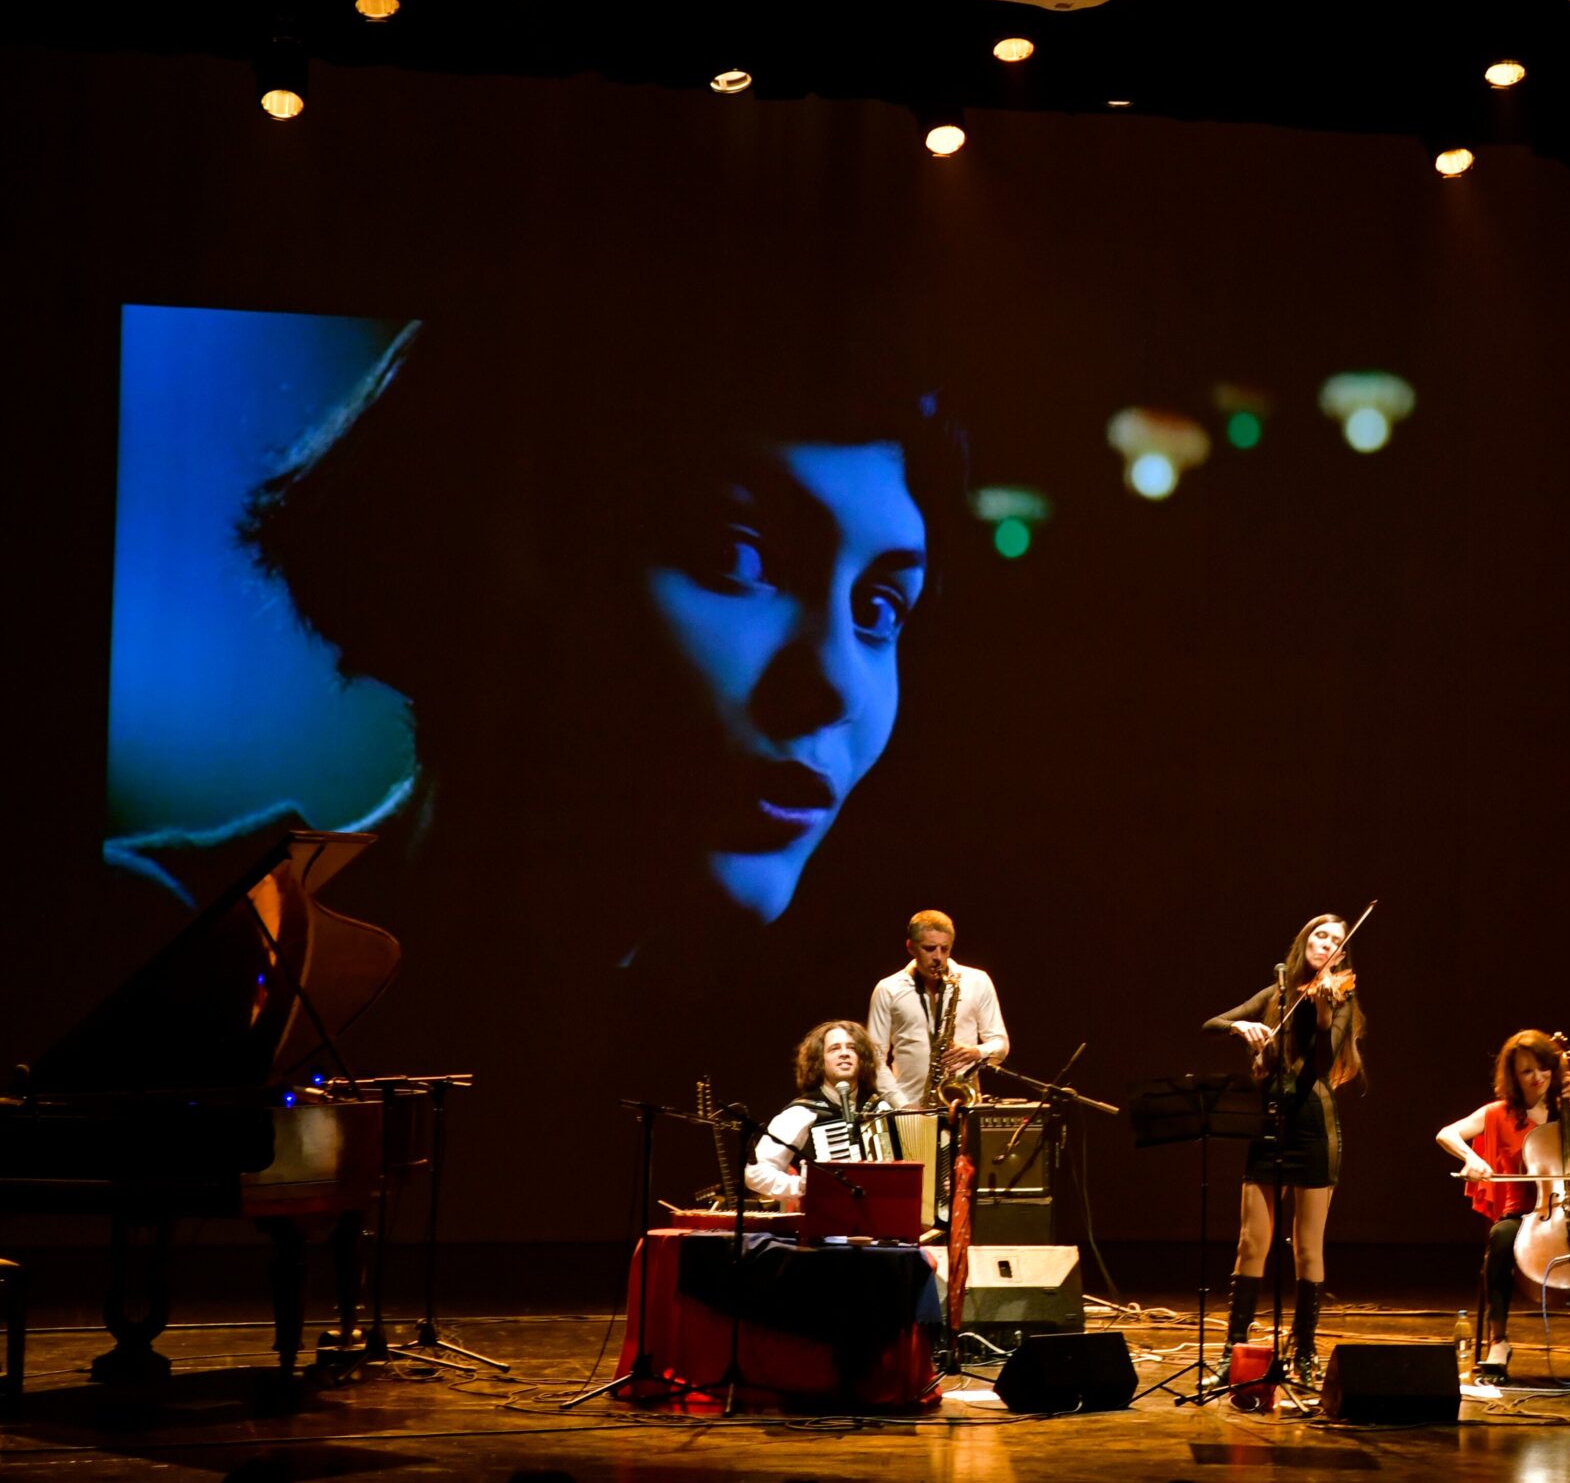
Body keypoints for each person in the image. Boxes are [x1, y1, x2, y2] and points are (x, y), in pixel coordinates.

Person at [93, 301, 959, 1243]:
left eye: (881, 607)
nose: (834, 682)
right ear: (495, 564)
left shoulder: (709, 1038)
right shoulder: (170, 924)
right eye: (735, 555)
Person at [1202, 913, 1365, 1388]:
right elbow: (1212, 1022)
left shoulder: (1341, 999)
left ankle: (1306, 1352)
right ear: (1304, 941)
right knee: (1251, 1242)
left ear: (1341, 955)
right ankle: (1235, 1350)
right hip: (1269, 1123)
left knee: (1307, 1249)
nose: (1327, 943)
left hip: (1314, 1127)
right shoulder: (1275, 994)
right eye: (1320, 935)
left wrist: (1322, 1013)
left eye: (1337, 940)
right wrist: (1243, 1030)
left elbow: (1318, 1066)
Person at [1434, 1029, 1570, 1385]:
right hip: (1525, 1217)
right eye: (1527, 1071)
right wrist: (1472, 1157)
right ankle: (1499, 1342)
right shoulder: (1499, 1113)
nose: (1537, 1077)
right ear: (1513, 1076)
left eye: (1543, 1068)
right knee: (1501, 1238)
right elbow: (1447, 1133)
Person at [866, 910, 1010, 1110]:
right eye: (929, 948)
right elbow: (874, 1059)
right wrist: (902, 1105)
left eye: (945, 949)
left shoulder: (977, 981)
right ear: (911, 947)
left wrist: (977, 1052)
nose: (938, 958)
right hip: (910, 1108)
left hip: (962, 1106)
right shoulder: (888, 989)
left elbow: (1000, 1044)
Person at [746, 1019, 891, 1200]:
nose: (844, 1053)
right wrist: (801, 1186)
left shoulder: (881, 1110)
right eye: (834, 1048)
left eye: (852, 1048)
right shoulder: (802, 1113)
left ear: (862, 1059)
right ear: (819, 1061)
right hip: (828, 1222)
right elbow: (755, 1173)